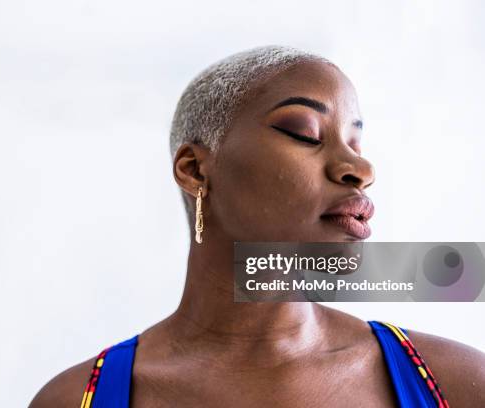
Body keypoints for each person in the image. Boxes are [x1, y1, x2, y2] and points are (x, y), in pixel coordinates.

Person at [29, 46, 485, 407]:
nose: (359, 168)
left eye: (356, 142)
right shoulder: (74, 401)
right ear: (194, 170)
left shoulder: (460, 384)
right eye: (306, 133)